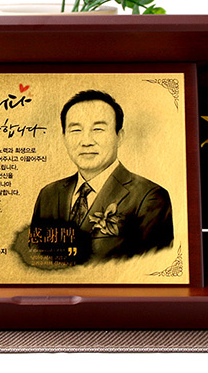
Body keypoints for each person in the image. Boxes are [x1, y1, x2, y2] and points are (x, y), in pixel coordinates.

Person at [29, 90, 173, 262]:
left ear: (119, 137)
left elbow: (152, 267)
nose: (86, 141)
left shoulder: (149, 197)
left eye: (98, 129)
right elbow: (36, 263)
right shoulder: (49, 195)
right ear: (64, 137)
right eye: (76, 130)